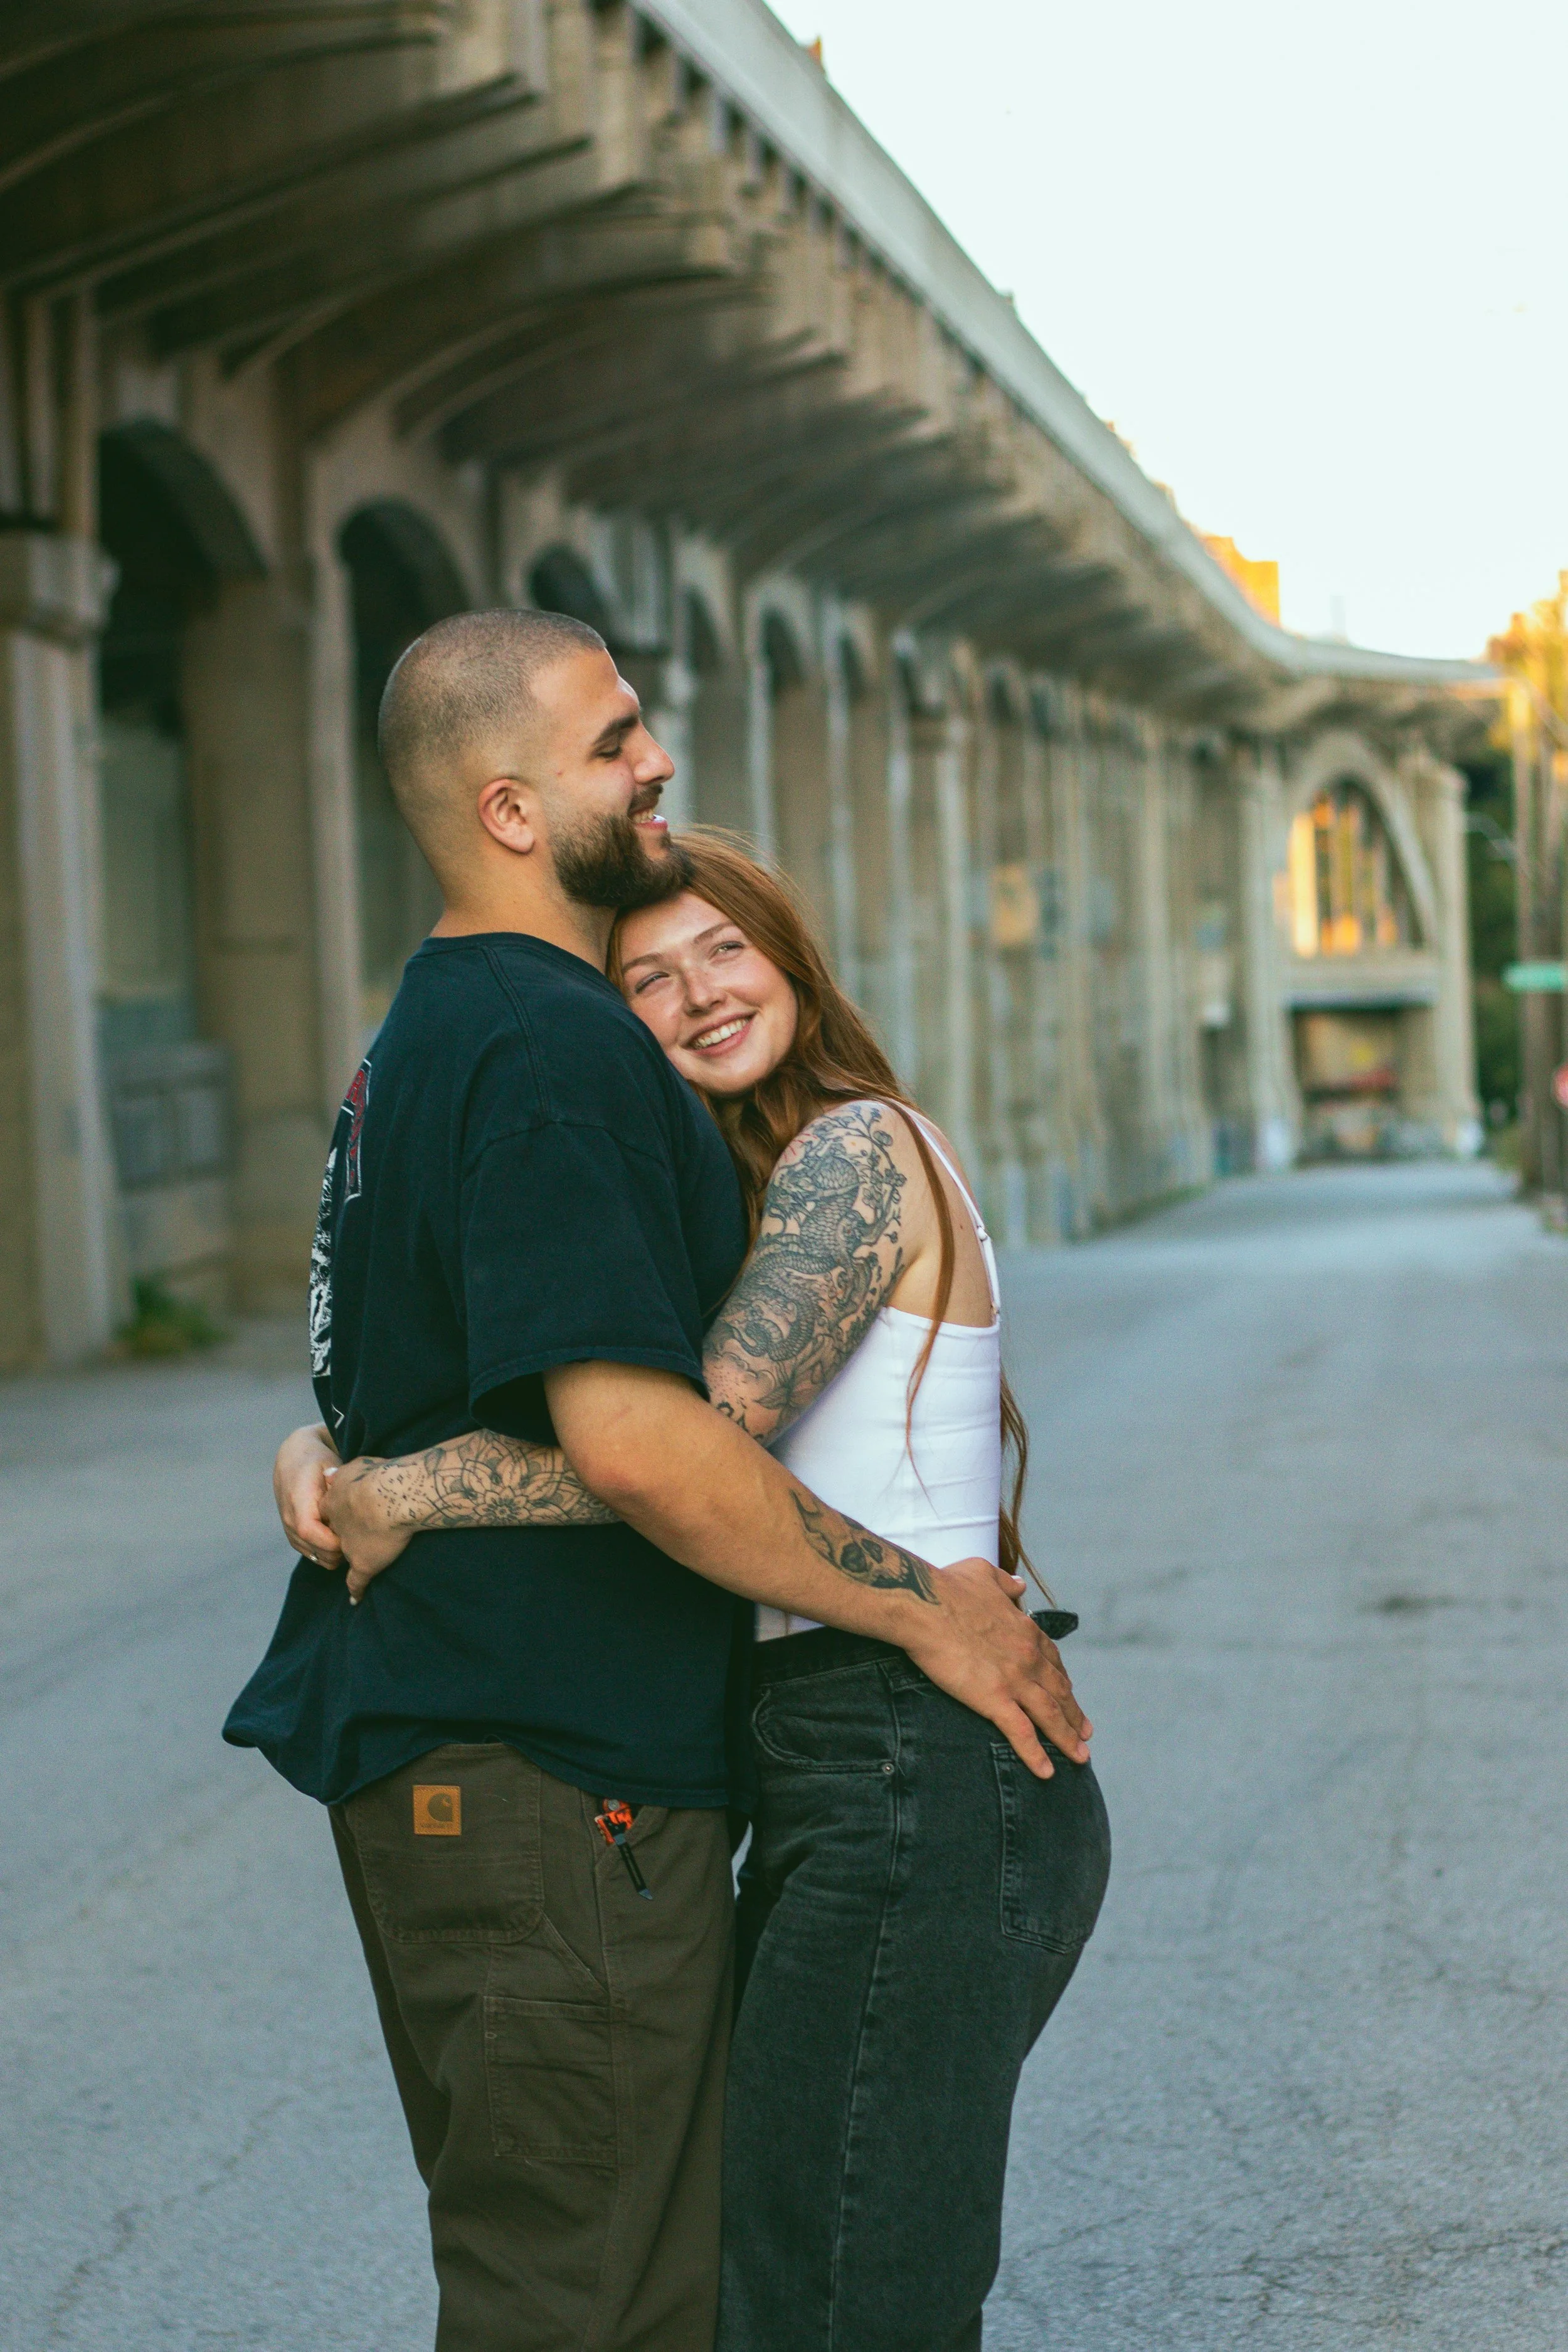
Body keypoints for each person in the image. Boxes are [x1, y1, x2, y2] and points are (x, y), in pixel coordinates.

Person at [229, 607, 1090, 2352]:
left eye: (722, 954)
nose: (656, 757)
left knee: (758, 2292)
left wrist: (377, 1467)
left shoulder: (443, 1046)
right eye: (616, 735)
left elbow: (619, 1402)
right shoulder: (553, 1052)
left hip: (840, 1766)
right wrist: (358, 1462)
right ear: (511, 808)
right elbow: (638, 1441)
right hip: (584, 1764)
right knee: (629, 2295)